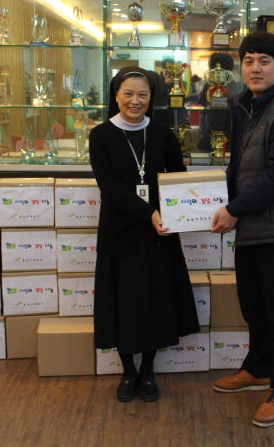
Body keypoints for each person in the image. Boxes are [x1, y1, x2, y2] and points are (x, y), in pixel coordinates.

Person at [210, 32, 274, 427]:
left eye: (264, 61)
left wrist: (233, 209)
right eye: (249, 60)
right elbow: (241, 167)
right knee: (254, 306)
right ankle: (257, 369)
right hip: (253, 224)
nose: (255, 68)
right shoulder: (245, 105)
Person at [88, 66, 200, 403]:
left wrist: (185, 210)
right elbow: (110, 187)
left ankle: (148, 371)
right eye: (128, 94)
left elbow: (178, 177)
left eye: (142, 94)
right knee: (123, 304)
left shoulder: (163, 133)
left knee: (155, 303)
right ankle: (128, 372)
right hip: (120, 231)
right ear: (116, 96)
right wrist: (149, 213)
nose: (135, 101)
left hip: (159, 232)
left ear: (152, 97)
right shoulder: (101, 135)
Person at [196, 52, 240, 153]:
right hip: (229, 136)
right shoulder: (234, 87)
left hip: (213, 135)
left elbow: (202, 106)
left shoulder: (210, 86)